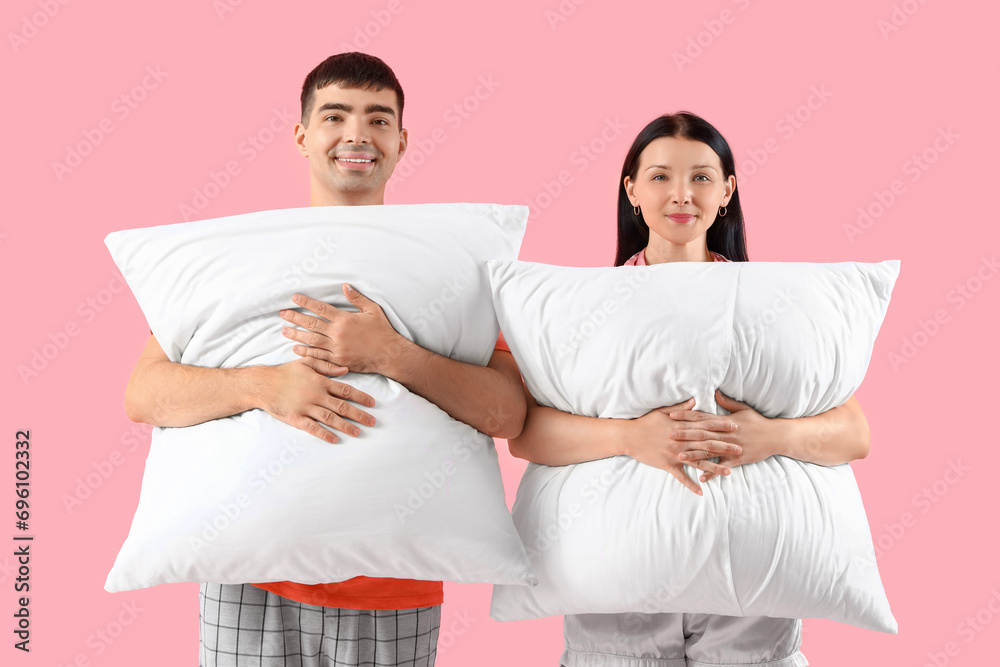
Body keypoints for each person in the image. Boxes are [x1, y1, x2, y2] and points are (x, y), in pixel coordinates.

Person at [123, 52, 527, 667]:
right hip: (248, 577)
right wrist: (265, 386)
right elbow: (144, 395)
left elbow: (506, 414)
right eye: (335, 116)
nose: (357, 135)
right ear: (303, 136)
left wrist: (392, 353)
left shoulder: (452, 267)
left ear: (402, 140)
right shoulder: (242, 262)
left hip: (393, 586)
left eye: (378, 119)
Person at [502, 112, 871, 666]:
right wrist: (631, 438)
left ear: (727, 190)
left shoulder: (772, 304)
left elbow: (854, 433)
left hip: (749, 610)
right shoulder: (588, 309)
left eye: (701, 177)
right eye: (659, 177)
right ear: (631, 190)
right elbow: (529, 436)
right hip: (619, 601)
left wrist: (769, 436)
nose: (681, 194)